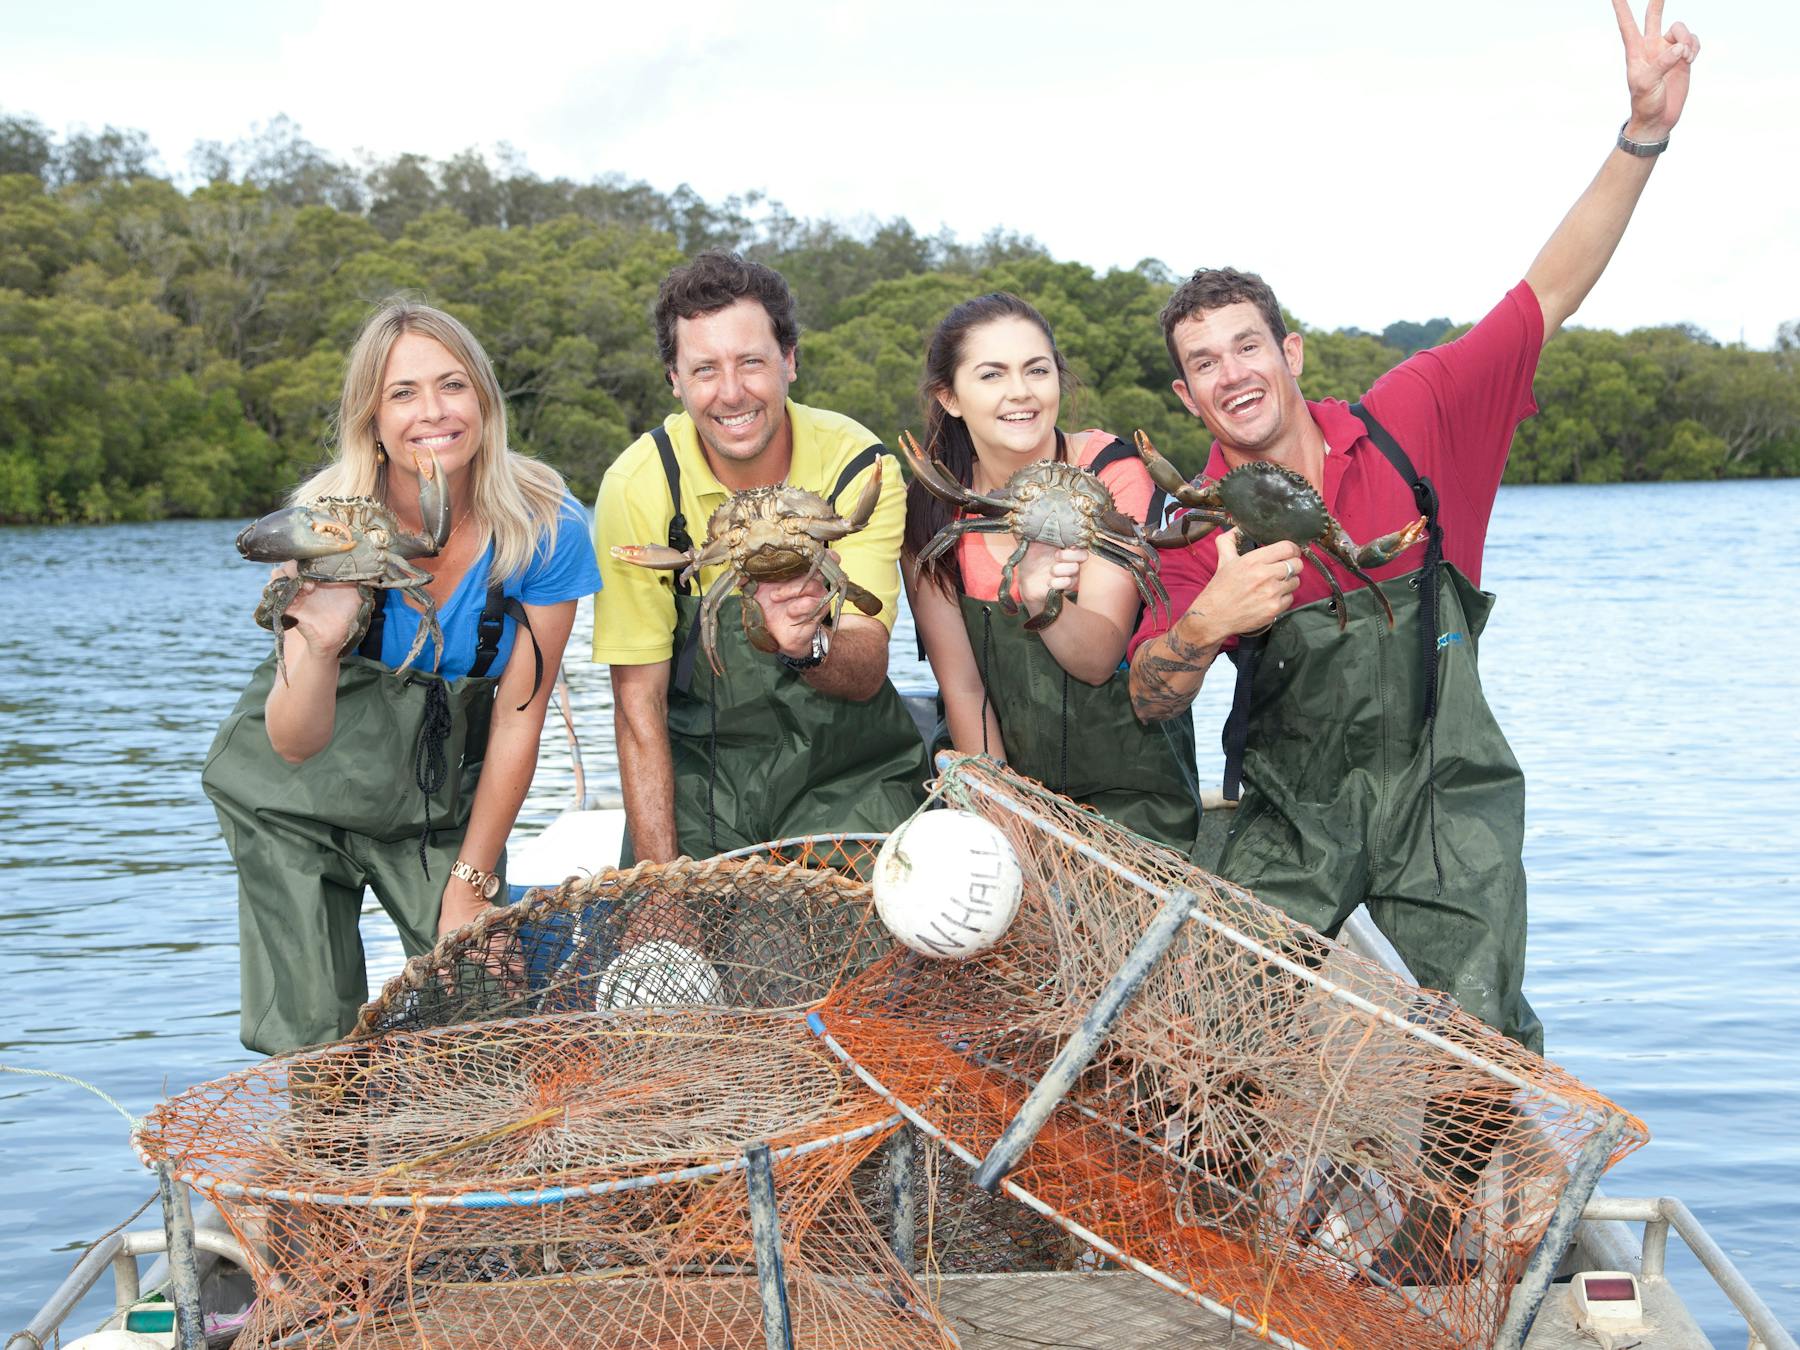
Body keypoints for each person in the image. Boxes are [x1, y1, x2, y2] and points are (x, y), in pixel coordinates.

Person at [1127, 0, 1699, 1056]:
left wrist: (1643, 135)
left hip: (1445, 792)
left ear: (1289, 353)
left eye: (1247, 346)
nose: (1232, 374)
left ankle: (1474, 1208)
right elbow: (1145, 690)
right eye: (1204, 362)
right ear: (1185, 393)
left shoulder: (1411, 420)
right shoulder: (1189, 522)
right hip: (1292, 815)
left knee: (1484, 1039)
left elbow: (1550, 290)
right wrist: (1200, 625)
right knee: (1207, 1031)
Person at [203, 299, 600, 1055]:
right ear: (371, 419)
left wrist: (472, 886)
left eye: (452, 385)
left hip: (435, 801)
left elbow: (522, 715)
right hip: (292, 803)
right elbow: (291, 743)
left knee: (486, 1016)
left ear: (483, 397)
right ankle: (332, 1154)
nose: (433, 413)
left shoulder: (547, 528)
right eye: (402, 393)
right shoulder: (322, 524)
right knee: (316, 1036)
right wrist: (318, 644)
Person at [593, 251, 928, 863]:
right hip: (699, 778)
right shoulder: (639, 485)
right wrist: (662, 884)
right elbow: (637, 703)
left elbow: (868, 664)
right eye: (703, 369)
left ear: (790, 362)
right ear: (674, 380)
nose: (731, 392)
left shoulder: (860, 466)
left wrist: (806, 643)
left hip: (846, 773)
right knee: (661, 941)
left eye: (751, 362)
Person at [904, 292, 1201, 852]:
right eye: (992, 375)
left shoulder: (1112, 472)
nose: (1021, 392)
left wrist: (1044, 599)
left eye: (1036, 370)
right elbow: (965, 690)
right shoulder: (933, 506)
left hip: (1131, 789)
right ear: (951, 396)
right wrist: (1006, 827)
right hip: (1004, 776)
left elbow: (1095, 660)